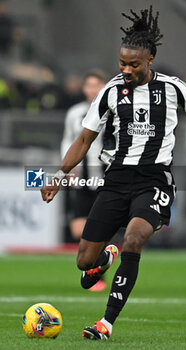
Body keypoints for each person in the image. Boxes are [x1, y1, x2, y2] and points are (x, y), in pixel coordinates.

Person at [41, 6, 186, 340]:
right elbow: (84, 139)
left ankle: (105, 323)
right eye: (121, 63)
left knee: (135, 239)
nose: (125, 69)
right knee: (84, 263)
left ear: (149, 60)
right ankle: (106, 255)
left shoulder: (173, 89)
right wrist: (58, 174)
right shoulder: (110, 92)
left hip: (154, 182)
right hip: (116, 181)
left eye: (133, 64)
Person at [61, 70, 107, 291]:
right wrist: (68, 168)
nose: (92, 89)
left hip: (105, 177)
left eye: (97, 85)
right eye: (89, 85)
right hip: (82, 178)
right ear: (84, 88)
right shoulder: (74, 113)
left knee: (98, 227)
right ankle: (101, 261)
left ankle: (97, 274)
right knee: (78, 230)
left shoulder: (113, 110)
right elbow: (68, 141)